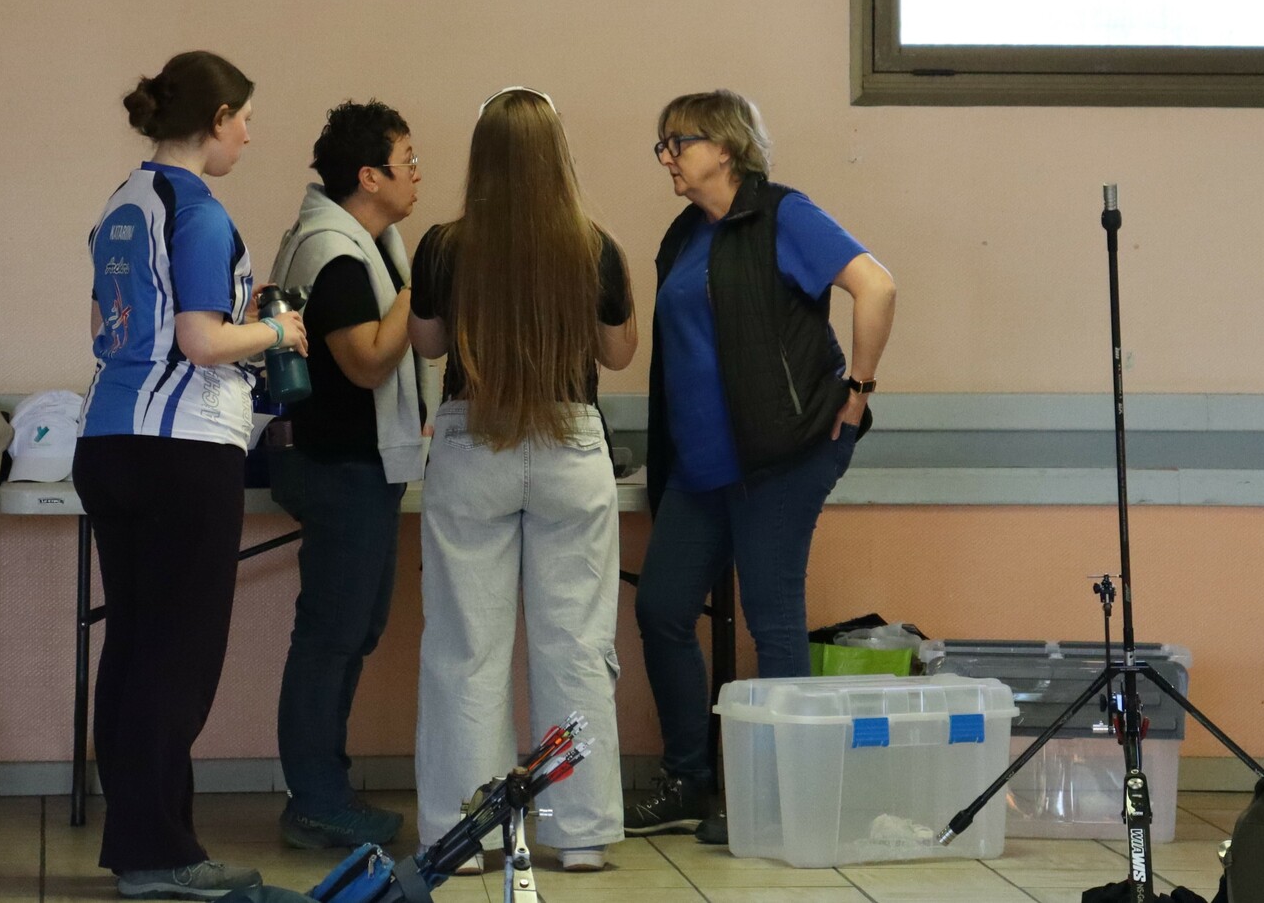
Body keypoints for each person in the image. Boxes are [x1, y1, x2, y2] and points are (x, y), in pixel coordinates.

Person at [625, 90, 896, 844]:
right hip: (701, 466)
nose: (666, 157)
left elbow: (876, 285)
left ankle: (779, 800)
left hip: (783, 454)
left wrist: (858, 391)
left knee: (772, 619)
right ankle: (687, 781)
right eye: (662, 144)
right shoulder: (685, 235)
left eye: (678, 142)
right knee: (662, 608)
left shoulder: (782, 214)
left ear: (725, 145)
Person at [73, 50, 307, 901]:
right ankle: (161, 852)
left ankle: (142, 842)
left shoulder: (123, 202)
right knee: (177, 657)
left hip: (108, 438)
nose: (248, 134)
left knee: (136, 646)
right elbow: (202, 342)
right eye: (243, 118)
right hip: (182, 449)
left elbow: (106, 324)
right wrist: (277, 333)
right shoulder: (199, 210)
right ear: (215, 120)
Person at [409, 87, 637, 874]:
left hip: (473, 441)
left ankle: (465, 836)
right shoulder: (594, 246)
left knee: (466, 648)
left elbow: (428, 343)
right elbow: (618, 352)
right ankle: (580, 832)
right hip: (570, 442)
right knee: (574, 646)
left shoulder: (443, 245)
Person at [265, 100, 425, 849]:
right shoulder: (334, 252)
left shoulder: (368, 241)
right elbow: (365, 362)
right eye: (408, 159)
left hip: (360, 463)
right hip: (335, 465)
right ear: (369, 176)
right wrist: (423, 289)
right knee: (331, 634)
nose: (418, 173)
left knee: (353, 628)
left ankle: (325, 789)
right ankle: (317, 798)